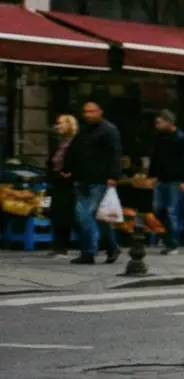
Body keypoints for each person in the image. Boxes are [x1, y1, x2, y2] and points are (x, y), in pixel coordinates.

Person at [67, 101, 122, 265]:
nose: (88, 115)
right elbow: (74, 150)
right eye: (85, 111)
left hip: (99, 180)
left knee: (86, 216)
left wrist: (113, 176)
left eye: (92, 111)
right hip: (82, 179)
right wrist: (68, 168)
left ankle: (89, 252)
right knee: (98, 218)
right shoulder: (83, 131)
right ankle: (112, 247)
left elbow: (115, 154)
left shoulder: (109, 130)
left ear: (100, 112)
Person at [148, 110, 184, 253]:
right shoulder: (160, 138)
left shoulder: (181, 139)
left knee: (173, 211)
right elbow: (156, 157)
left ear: (169, 122)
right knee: (159, 208)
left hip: (176, 179)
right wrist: (152, 175)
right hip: (162, 178)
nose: (157, 125)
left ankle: (173, 242)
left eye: (159, 122)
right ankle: (171, 235)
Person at [45, 115, 78, 256]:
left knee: (67, 213)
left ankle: (64, 244)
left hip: (70, 182)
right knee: (57, 212)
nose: (57, 126)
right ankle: (59, 244)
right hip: (57, 179)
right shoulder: (59, 142)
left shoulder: (75, 142)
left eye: (60, 123)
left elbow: (81, 160)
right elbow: (52, 160)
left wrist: (72, 173)